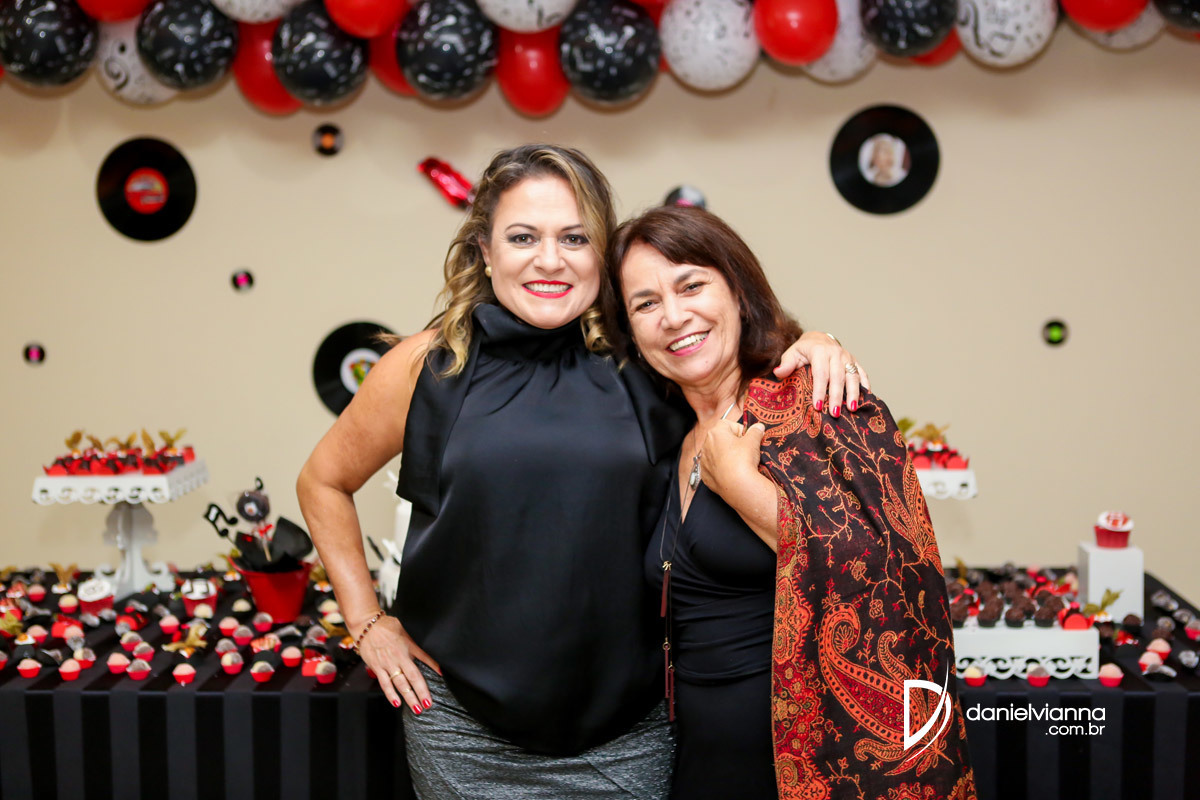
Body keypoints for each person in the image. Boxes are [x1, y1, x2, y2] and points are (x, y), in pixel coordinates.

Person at [295, 144, 868, 799]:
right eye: (522, 237)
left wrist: (814, 343)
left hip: (629, 735)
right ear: (485, 251)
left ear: (602, 253)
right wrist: (367, 621)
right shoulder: (428, 366)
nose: (549, 259)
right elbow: (322, 481)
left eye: (574, 237)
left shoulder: (648, 358)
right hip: (459, 730)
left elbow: (737, 357)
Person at [605, 205, 976, 800]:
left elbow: (896, 574)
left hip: (823, 769)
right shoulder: (666, 433)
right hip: (699, 767)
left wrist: (742, 488)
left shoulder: (820, 397)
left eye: (691, 286)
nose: (673, 316)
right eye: (645, 303)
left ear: (737, 290)